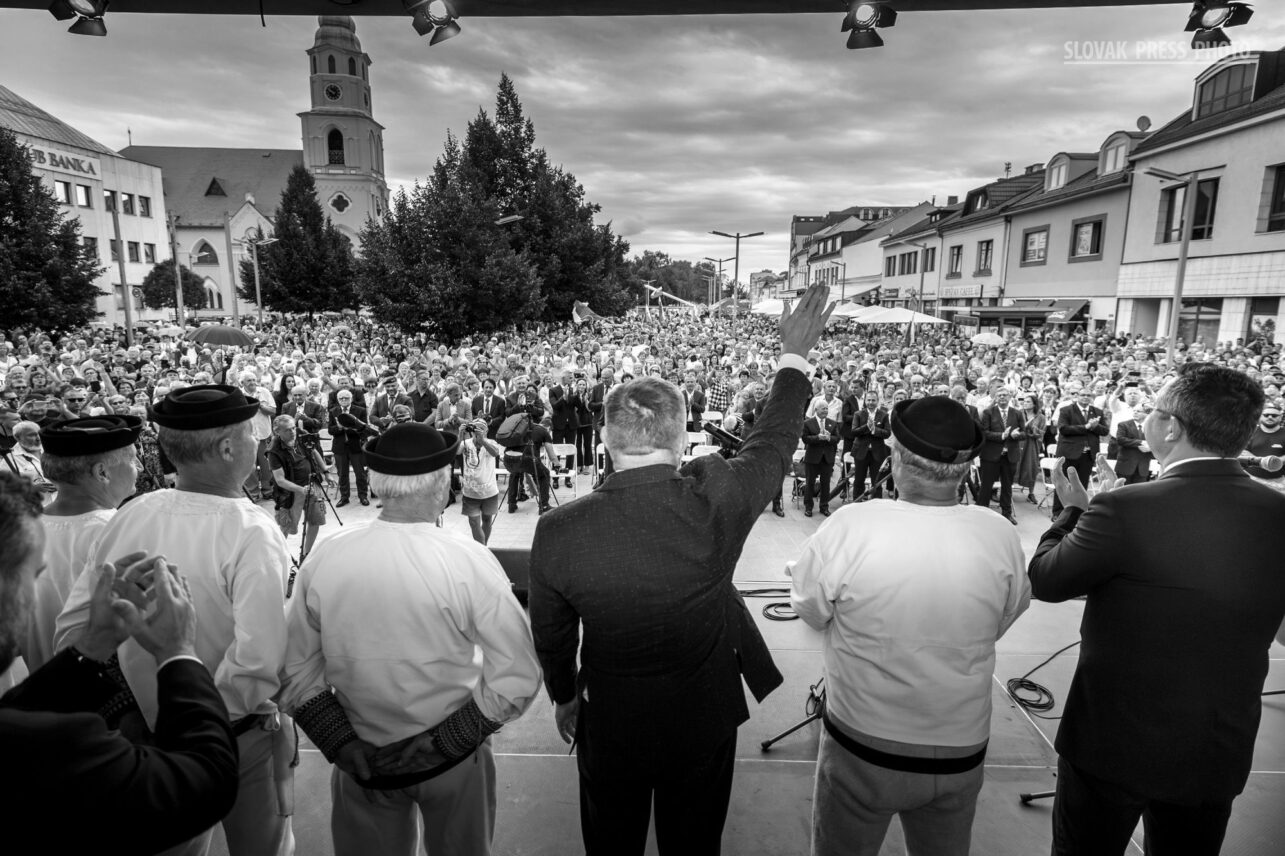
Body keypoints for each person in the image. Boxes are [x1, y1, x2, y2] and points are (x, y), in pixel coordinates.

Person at [528, 285, 834, 856]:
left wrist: (565, 695)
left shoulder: (560, 529)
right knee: (693, 842)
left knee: (610, 837)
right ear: (680, 432)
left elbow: (551, 633)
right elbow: (773, 439)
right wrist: (794, 356)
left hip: (613, 718)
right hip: (702, 715)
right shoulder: (719, 498)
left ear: (606, 437)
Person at [1028, 363, 1285, 856]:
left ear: (1170, 428)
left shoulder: (1125, 510)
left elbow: (1047, 579)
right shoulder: (1277, 514)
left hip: (1112, 743)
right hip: (1216, 745)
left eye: (1153, 409)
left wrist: (1075, 511)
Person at [278, 421, 542, 856]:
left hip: (360, 754)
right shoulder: (467, 560)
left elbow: (293, 665)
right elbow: (517, 675)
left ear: (376, 483)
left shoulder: (327, 554)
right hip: (454, 762)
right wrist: (444, 742)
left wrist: (339, 742)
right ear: (442, 485)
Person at [55, 384, 295, 856]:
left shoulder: (132, 514)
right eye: (250, 433)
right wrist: (200, 722)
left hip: (147, 734)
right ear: (228, 448)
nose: (256, 441)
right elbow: (259, 658)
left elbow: (74, 629)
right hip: (233, 737)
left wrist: (146, 708)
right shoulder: (251, 529)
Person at [789, 396, 1029, 856]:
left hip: (863, 745)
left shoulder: (851, 525)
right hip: (962, 747)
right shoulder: (999, 533)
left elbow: (811, 610)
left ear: (896, 458)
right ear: (964, 469)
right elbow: (1005, 616)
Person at [0, 472, 239, 854]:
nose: (34, 598)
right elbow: (207, 782)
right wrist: (177, 652)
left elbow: (14, 711)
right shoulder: (58, 746)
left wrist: (93, 644)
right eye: (34, 576)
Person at [23, 416, 140, 675]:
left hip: (35, 688)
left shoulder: (22, 528)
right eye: (131, 460)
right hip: (96, 693)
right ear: (102, 472)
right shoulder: (116, 531)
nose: (139, 467)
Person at [267, 414, 329, 560]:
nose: (293, 432)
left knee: (315, 520)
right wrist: (301, 490)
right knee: (286, 526)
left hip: (312, 484)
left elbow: (313, 451)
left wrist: (326, 472)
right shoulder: (274, 451)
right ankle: (276, 557)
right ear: (278, 432)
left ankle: (305, 555)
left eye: (293, 428)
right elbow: (280, 480)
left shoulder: (300, 435)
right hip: (290, 493)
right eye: (288, 430)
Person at [1052, 387, 1108, 514]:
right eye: (1083, 394)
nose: (1085, 397)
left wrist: (1095, 426)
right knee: (1063, 483)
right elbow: (1064, 429)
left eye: (1088, 395)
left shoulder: (1097, 411)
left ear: (1092, 397)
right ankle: (1058, 512)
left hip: (1088, 455)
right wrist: (1086, 427)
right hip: (1069, 453)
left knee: (1081, 485)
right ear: (1077, 396)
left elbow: (1105, 431)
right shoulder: (1066, 410)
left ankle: (1077, 512)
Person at [977, 386, 1023, 524]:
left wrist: (1017, 435)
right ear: (995, 398)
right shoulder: (988, 412)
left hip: (1010, 456)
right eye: (999, 395)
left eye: (1005, 395)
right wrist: (1002, 435)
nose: (1002, 397)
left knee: (1007, 486)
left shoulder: (1017, 413)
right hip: (991, 456)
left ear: (1009, 397)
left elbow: (1025, 433)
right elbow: (984, 432)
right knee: (986, 485)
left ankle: (1006, 513)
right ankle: (981, 513)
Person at [330, 388, 373, 507]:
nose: (344, 400)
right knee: (342, 474)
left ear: (351, 399)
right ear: (338, 400)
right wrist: (339, 428)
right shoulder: (333, 411)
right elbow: (330, 430)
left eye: (346, 398)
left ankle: (363, 496)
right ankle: (344, 497)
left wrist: (348, 427)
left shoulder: (360, 410)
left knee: (360, 473)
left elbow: (364, 429)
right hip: (340, 448)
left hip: (356, 446)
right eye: (341, 398)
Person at [461, 416, 502, 544]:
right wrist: (459, 434)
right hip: (470, 491)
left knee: (487, 520)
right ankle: (482, 549)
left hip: (488, 491)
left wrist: (482, 440)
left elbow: (495, 453)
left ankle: (483, 547)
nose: (478, 431)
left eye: (482, 429)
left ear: (486, 431)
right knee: (473, 522)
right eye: (476, 428)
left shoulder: (491, 442)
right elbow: (455, 452)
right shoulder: (466, 443)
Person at [800, 398, 840, 518]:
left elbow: (837, 438)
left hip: (827, 458)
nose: (825, 410)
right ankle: (808, 507)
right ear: (816, 409)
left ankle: (824, 506)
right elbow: (805, 439)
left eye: (827, 408)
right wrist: (818, 437)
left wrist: (828, 438)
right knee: (810, 482)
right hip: (812, 457)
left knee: (826, 483)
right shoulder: (808, 423)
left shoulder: (832, 423)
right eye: (823, 408)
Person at [1240, 397, 1284, 492]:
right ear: (1260, 416)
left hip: (1279, 482)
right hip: (1251, 478)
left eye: (1274, 415)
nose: (1270, 417)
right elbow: (1243, 450)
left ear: (1280, 417)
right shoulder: (1250, 431)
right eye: (1266, 415)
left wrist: (1275, 461)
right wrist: (1260, 461)